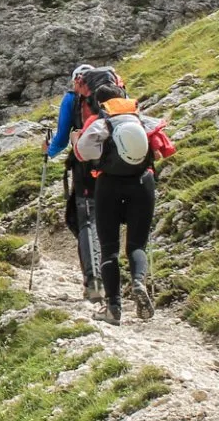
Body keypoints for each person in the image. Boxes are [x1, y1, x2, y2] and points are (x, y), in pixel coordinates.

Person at [74, 83, 175, 324]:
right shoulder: (144, 121)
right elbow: (164, 151)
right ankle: (139, 281)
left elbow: (83, 153)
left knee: (109, 248)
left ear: (100, 104)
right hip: (143, 183)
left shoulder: (100, 124)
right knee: (137, 243)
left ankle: (114, 307)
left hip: (109, 184)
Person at [48, 64, 103, 301]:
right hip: (115, 163)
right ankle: (116, 279)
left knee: (84, 220)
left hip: (85, 165)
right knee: (104, 221)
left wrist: (48, 151)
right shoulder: (113, 94)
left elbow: (61, 137)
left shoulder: (72, 99)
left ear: (77, 81)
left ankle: (94, 281)